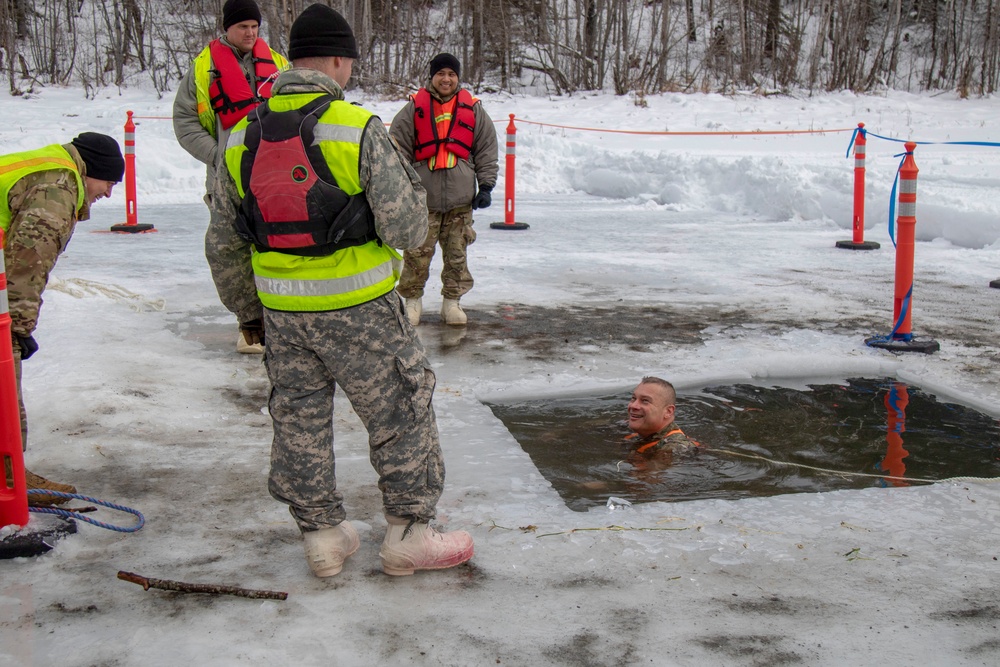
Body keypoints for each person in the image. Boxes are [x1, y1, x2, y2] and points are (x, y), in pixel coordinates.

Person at [212, 3, 474, 578]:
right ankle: (408, 534)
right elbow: (407, 227)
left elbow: (224, 241)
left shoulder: (237, 136)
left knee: (299, 421)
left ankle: (322, 538)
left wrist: (249, 313)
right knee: (402, 413)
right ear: (338, 59)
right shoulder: (355, 127)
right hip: (360, 309)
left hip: (282, 311)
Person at [1, 132, 125, 505]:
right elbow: (26, 261)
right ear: (93, 172)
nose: (108, 193)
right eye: (109, 183)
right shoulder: (57, 190)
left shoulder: (52, 164)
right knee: (5, 373)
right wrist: (17, 330)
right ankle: (10, 478)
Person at [172, 0, 287, 354]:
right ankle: (249, 327)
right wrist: (219, 159)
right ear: (227, 29)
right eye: (243, 27)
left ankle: (283, 323)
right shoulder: (203, 68)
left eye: (255, 26)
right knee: (233, 254)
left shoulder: (280, 65)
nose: (250, 33)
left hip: (273, 178)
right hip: (227, 181)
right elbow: (185, 122)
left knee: (277, 249)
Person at [389, 52, 499, 327]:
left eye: (451, 74)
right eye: (441, 74)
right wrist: (401, 187)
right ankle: (412, 301)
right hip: (422, 200)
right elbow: (396, 149)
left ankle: (452, 302)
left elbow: (486, 150)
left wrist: (485, 186)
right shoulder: (413, 110)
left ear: (458, 78)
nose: (446, 79)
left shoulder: (473, 110)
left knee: (457, 255)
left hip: (461, 201)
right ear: (432, 77)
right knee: (417, 254)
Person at [623, 377, 697, 466]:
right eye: (633, 398)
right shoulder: (631, 427)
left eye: (645, 401)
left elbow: (647, 478)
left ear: (668, 411)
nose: (633, 406)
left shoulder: (674, 449)